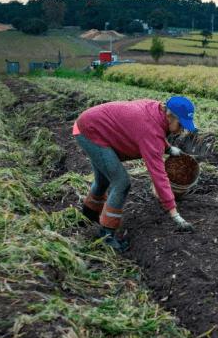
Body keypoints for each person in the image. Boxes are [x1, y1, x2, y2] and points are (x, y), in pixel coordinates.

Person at [73, 96, 198, 251]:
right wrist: (174, 214)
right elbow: (159, 175)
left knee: (104, 180)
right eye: (181, 125)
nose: (182, 130)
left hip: (92, 125)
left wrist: (168, 148)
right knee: (121, 183)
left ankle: (89, 214)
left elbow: (151, 130)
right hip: (90, 131)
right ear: (169, 116)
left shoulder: (156, 110)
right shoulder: (150, 130)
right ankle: (106, 235)